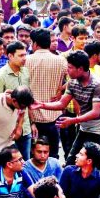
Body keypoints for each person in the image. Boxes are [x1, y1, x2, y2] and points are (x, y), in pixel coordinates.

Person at [32, 51, 100, 168]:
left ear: (80, 69)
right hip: (84, 127)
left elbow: (95, 113)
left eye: (70, 68)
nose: (67, 70)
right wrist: (42, 105)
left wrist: (72, 121)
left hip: (99, 129)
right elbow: (62, 104)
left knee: (99, 164)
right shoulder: (72, 83)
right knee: (71, 161)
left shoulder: (98, 85)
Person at [26, 28, 68, 157]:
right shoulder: (60, 60)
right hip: (54, 114)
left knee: (35, 156)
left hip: (33, 116)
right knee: (53, 155)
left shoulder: (26, 61)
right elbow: (73, 81)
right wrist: (62, 90)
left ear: (35, 43)